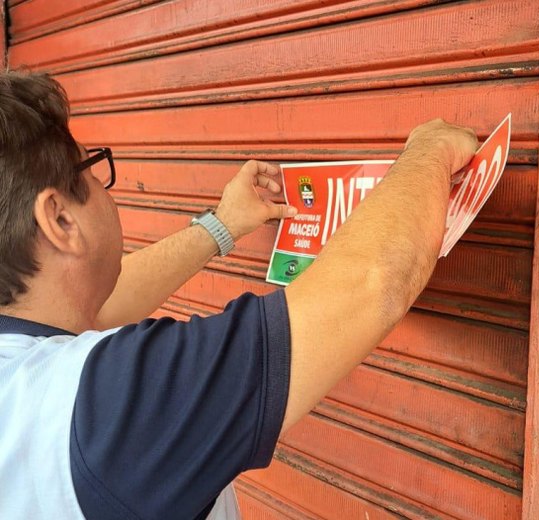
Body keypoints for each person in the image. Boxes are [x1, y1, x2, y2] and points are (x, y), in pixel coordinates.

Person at [0, 71, 478, 519]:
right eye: (91, 170)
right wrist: (428, 152)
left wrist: (223, 224)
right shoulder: (103, 411)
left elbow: (97, 305)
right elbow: (371, 283)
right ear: (61, 220)